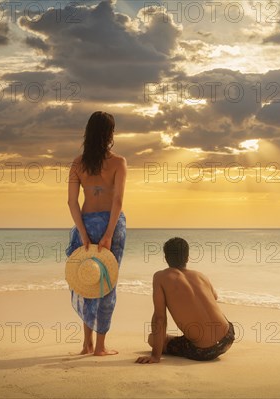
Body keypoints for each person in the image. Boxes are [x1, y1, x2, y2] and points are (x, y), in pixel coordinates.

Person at [66, 111, 127, 356]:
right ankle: (100, 347)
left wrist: (82, 233)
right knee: (106, 285)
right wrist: (109, 233)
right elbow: (118, 200)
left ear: (88, 133)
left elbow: (72, 203)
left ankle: (86, 344)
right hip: (111, 225)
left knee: (85, 280)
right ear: (110, 134)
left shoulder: (77, 164)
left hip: (86, 225)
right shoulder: (118, 163)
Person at [136, 237, 235, 364]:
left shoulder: (160, 277)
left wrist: (156, 356)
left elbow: (160, 317)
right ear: (187, 257)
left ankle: (196, 339)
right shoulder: (200, 275)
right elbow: (214, 297)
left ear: (166, 258)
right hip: (228, 337)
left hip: (203, 351)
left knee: (152, 339)